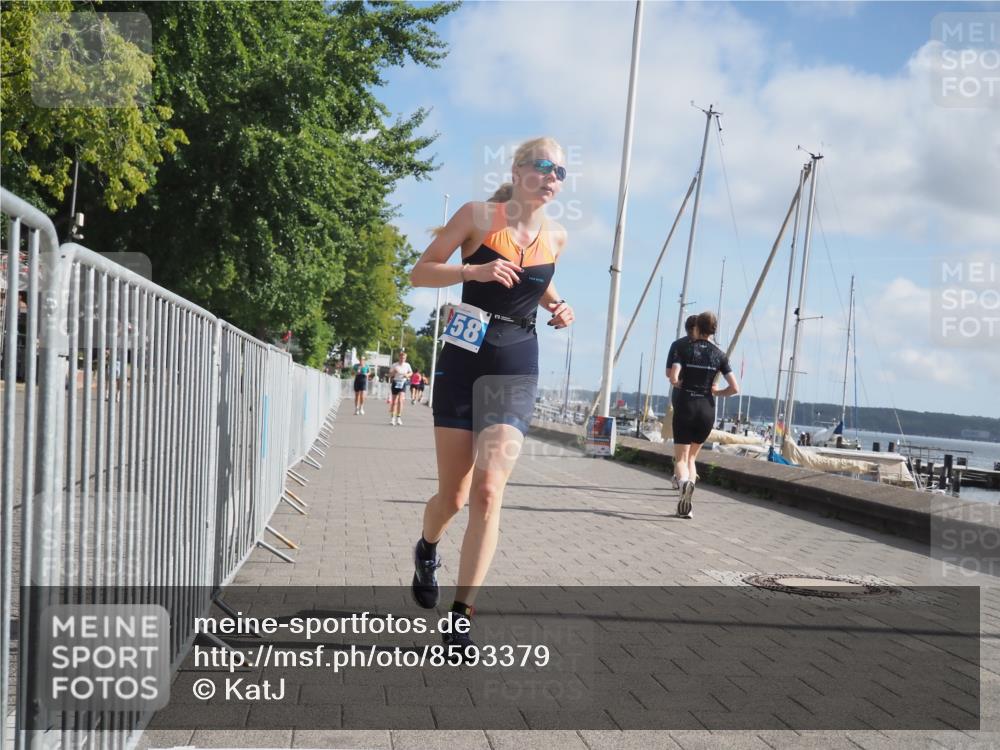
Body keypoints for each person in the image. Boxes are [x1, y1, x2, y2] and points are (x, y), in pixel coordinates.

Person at [407, 137, 574, 656]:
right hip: (463, 358)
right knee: (452, 498)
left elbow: (534, 280)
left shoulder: (557, 237)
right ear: (519, 169)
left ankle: (461, 618)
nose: (552, 177)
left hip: (516, 363)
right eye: (544, 166)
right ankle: (427, 545)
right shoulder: (479, 216)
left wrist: (559, 304)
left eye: (561, 172)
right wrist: (471, 271)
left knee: (487, 491)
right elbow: (420, 270)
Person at [667, 311, 739, 519]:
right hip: (707, 410)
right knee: (692, 457)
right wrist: (718, 392)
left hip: (686, 405)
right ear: (713, 331)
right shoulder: (720, 355)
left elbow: (673, 376)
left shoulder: (684, 348)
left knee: (680, 458)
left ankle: (683, 485)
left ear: (696, 328)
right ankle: (687, 506)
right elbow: (734, 388)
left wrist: (677, 382)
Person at [665, 315, 697, 490]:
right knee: (692, 451)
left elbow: (669, 373)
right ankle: (687, 479)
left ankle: (681, 477)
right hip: (703, 401)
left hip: (681, 396)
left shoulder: (678, 345)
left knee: (681, 444)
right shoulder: (711, 349)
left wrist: (679, 382)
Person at [388, 351, 413, 425]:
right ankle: (392, 418)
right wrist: (394, 372)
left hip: (403, 383)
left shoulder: (407, 365)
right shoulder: (394, 365)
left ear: (405, 358)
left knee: (400, 400)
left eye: (404, 358)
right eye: (401, 358)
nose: (403, 359)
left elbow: (411, 373)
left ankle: (398, 418)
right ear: (399, 357)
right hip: (396, 382)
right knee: (394, 401)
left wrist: (407, 375)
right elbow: (389, 375)